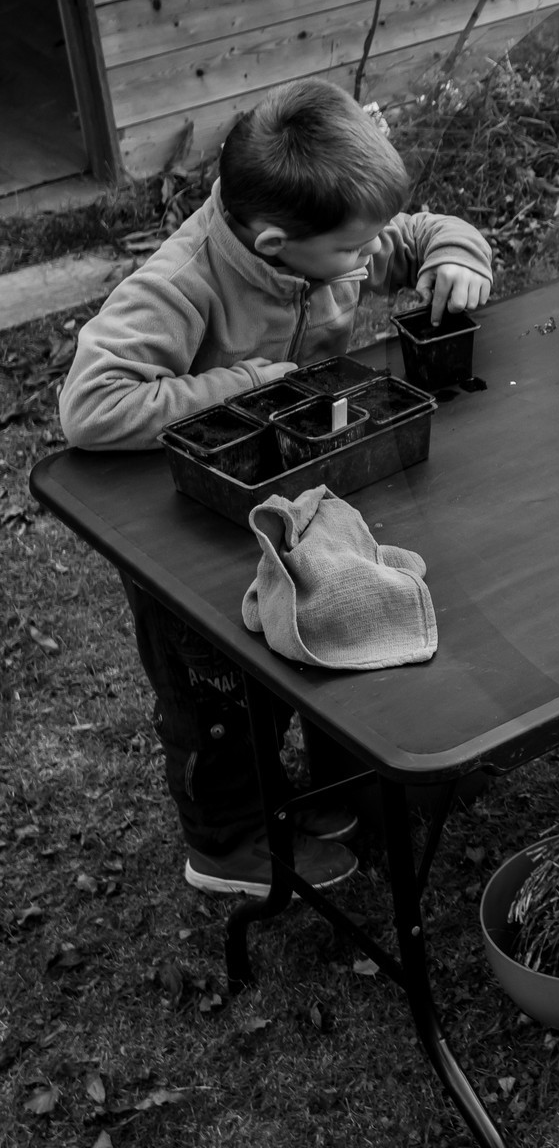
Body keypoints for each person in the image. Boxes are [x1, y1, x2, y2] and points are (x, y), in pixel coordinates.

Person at [59, 80, 493, 898]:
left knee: (329, 619)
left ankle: (333, 783)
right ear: (270, 245)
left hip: (297, 497)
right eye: (354, 255)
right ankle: (227, 841)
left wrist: (455, 255)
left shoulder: (326, 235)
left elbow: (419, 233)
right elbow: (91, 406)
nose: (372, 262)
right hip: (190, 525)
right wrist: (246, 384)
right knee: (222, 697)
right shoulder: (181, 282)